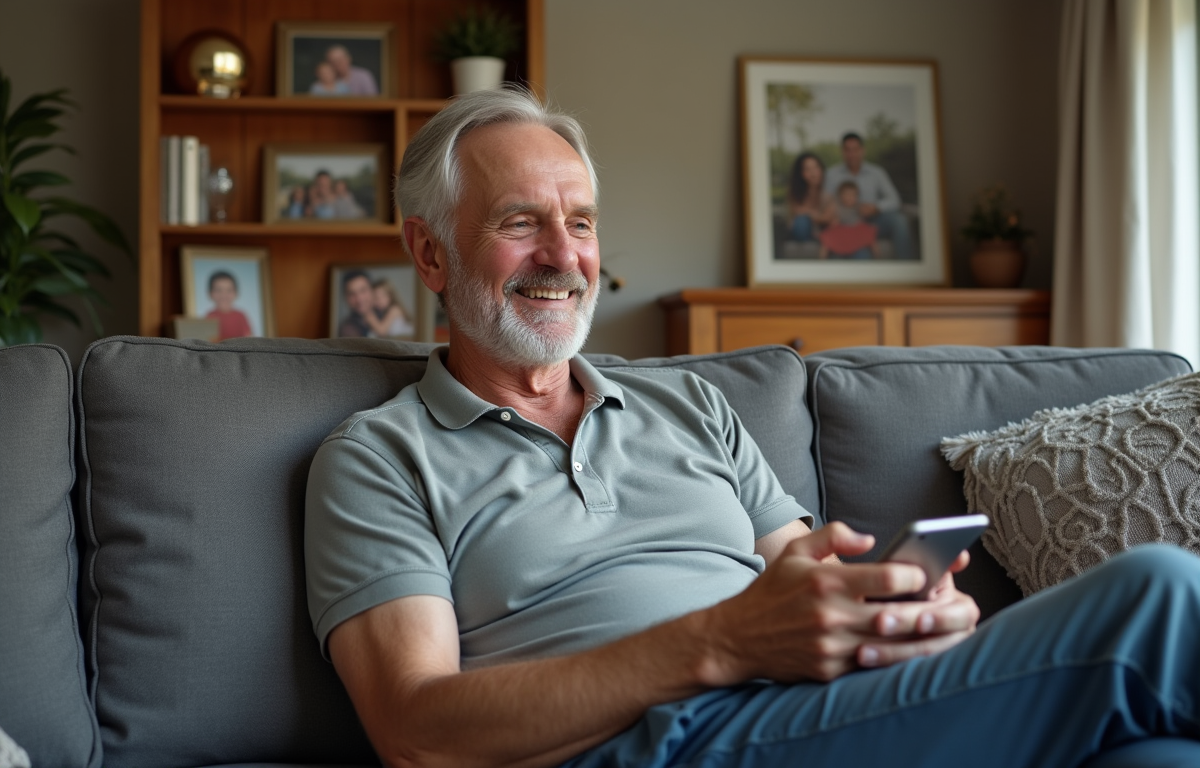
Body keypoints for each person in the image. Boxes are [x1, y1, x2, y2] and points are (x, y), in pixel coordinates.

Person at [304, 87, 1200, 768]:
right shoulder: (380, 457)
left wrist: (900, 613)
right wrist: (721, 642)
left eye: (580, 223)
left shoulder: (687, 406)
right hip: (655, 743)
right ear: (429, 252)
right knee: (1158, 591)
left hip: (802, 714)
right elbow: (414, 730)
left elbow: (806, 584)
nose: (563, 256)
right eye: (519, 223)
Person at [823, 132, 915, 259]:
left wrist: (876, 207)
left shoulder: (877, 172)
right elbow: (825, 201)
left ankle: (908, 269)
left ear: (862, 150)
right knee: (857, 254)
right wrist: (834, 213)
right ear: (842, 152)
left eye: (855, 149)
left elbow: (894, 199)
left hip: (872, 221)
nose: (851, 154)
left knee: (899, 220)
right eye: (847, 150)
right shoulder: (832, 174)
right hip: (844, 224)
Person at [818, 181, 879, 260]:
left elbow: (870, 211)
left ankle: (879, 261)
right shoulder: (836, 206)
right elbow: (826, 216)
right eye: (846, 195)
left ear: (857, 196)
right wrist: (832, 219)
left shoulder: (859, 206)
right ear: (840, 196)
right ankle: (821, 262)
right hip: (840, 233)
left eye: (853, 195)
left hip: (856, 232)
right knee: (827, 238)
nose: (849, 197)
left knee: (870, 236)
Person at [785, 151, 835, 243]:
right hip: (802, 232)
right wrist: (816, 215)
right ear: (800, 173)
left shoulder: (828, 192)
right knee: (802, 222)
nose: (813, 173)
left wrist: (809, 213)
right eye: (807, 169)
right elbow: (797, 211)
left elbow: (829, 218)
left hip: (824, 233)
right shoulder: (796, 192)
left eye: (816, 167)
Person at [203, 270, 252, 341]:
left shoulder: (240, 316)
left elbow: (249, 338)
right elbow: (208, 340)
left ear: (236, 293)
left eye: (229, 290)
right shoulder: (210, 316)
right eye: (218, 290)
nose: (223, 295)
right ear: (210, 293)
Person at [336, 269, 374, 337]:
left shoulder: (389, 313)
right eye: (352, 294)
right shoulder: (347, 329)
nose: (359, 299)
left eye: (363, 290)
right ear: (345, 298)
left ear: (372, 290)